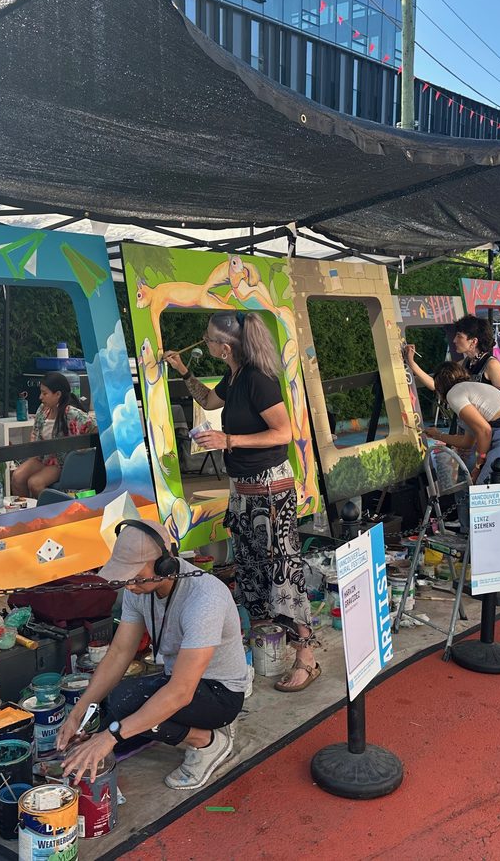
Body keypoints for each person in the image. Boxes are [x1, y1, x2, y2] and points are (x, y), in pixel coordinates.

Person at [163, 311, 317, 692]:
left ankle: (306, 656)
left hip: (270, 490)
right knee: (250, 567)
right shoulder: (234, 376)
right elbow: (211, 401)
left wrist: (228, 441)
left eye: (209, 339)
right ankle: (271, 643)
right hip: (244, 489)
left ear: (224, 346)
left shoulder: (258, 380)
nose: (206, 343)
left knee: (284, 572)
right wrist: (183, 371)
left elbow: (283, 433)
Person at [56, 519, 250, 789]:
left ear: (165, 564)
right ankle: (160, 729)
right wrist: (79, 712)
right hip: (179, 681)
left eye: (135, 576)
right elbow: (120, 653)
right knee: (119, 700)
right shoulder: (140, 589)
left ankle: (208, 742)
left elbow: (181, 692)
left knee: (128, 713)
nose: (130, 586)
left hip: (220, 693)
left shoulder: (205, 598)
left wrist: (110, 736)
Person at [423, 362, 500, 483]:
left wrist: (478, 466)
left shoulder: (454, 393)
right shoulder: (474, 390)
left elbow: (484, 431)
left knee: (485, 488)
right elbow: (467, 442)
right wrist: (437, 435)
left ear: (440, 385)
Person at [11, 372, 97, 498]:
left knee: (34, 483)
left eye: (45, 393)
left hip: (60, 463)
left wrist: (83, 449)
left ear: (57, 395)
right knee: (17, 477)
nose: (40, 397)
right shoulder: (42, 409)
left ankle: (51, 512)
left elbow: (94, 426)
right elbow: (35, 433)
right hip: (42, 457)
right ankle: (28, 512)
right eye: (41, 392)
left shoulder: (71, 413)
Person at [403, 314, 500, 392]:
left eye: (459, 336)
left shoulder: (492, 365)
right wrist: (411, 363)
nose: (454, 340)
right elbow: (436, 384)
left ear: (474, 341)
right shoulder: (464, 364)